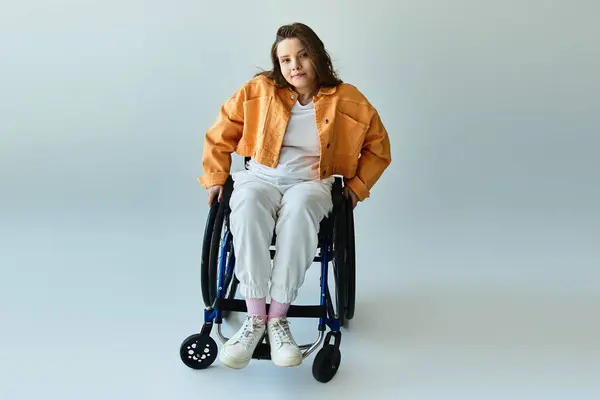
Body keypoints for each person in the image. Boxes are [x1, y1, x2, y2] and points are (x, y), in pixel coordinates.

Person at [198, 22, 392, 370]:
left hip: (311, 182)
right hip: (260, 176)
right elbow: (219, 133)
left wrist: (356, 189)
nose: (295, 66)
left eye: (302, 56)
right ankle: (256, 318)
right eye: (285, 59)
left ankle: (278, 319)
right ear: (278, 64)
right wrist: (215, 176)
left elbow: (378, 148)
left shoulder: (347, 99)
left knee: (301, 209)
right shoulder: (258, 90)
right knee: (246, 204)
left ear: (318, 56)